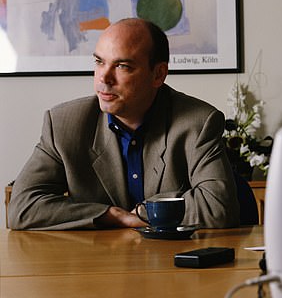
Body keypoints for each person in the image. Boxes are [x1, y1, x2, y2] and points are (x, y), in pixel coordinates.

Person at [8, 18, 240, 230]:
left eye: (122, 66)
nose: (104, 78)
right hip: (94, 264)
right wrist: (112, 215)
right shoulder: (63, 124)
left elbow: (218, 206)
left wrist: (143, 212)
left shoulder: (198, 123)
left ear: (158, 74)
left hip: (171, 265)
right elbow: (22, 208)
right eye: (99, 62)